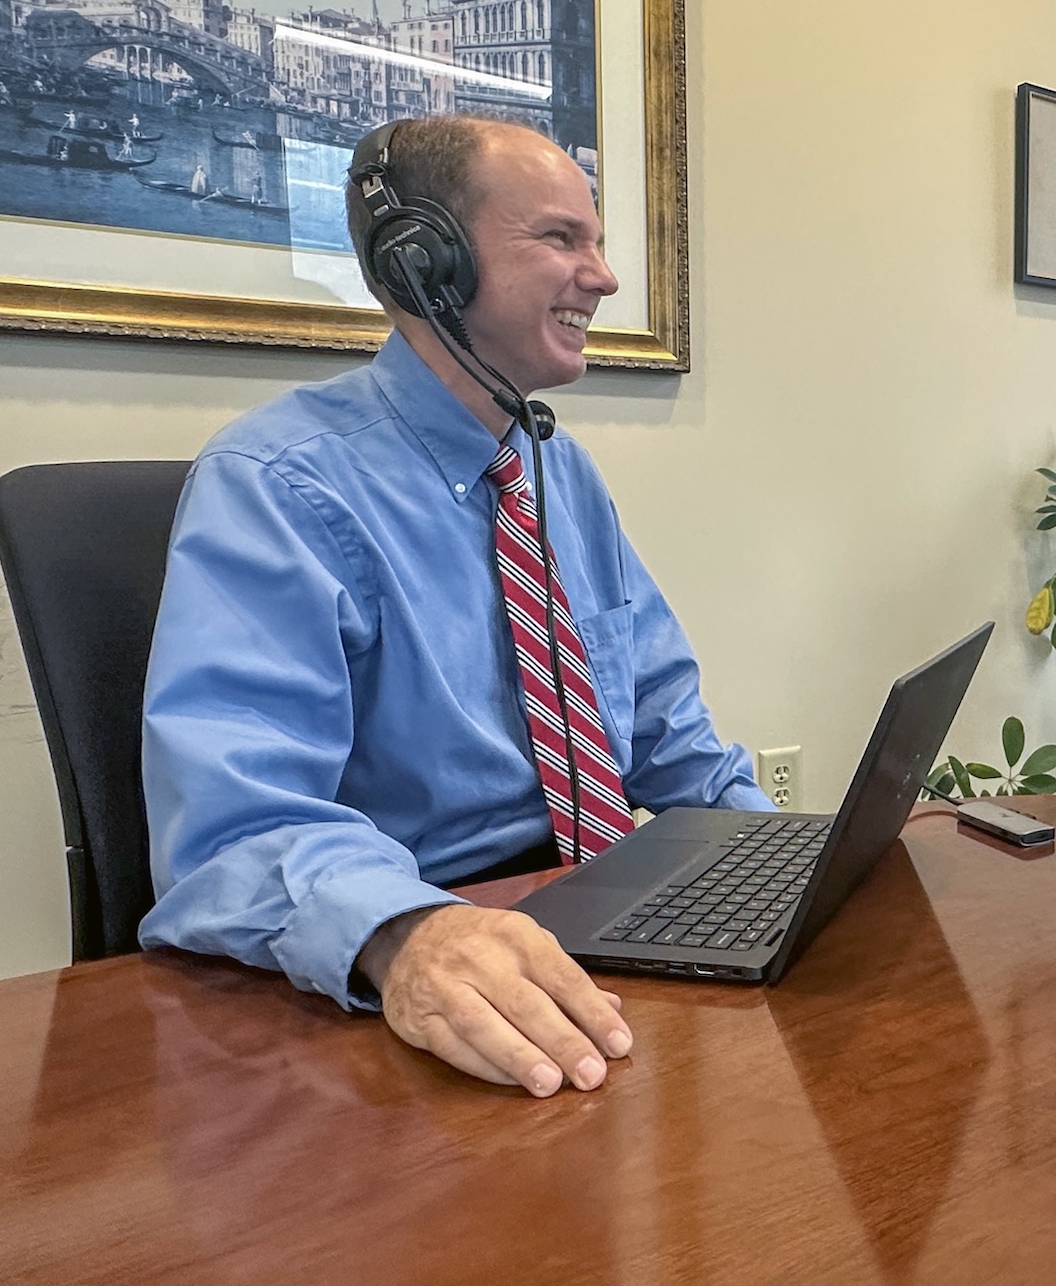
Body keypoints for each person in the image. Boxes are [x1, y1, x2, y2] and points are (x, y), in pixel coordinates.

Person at [140, 116, 771, 1097]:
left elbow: (663, 729)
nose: (602, 277)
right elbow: (233, 827)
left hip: (598, 939)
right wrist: (404, 932)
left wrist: (786, 853)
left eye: (597, 241)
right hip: (416, 977)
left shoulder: (556, 471)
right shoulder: (278, 485)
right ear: (422, 257)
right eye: (562, 239)